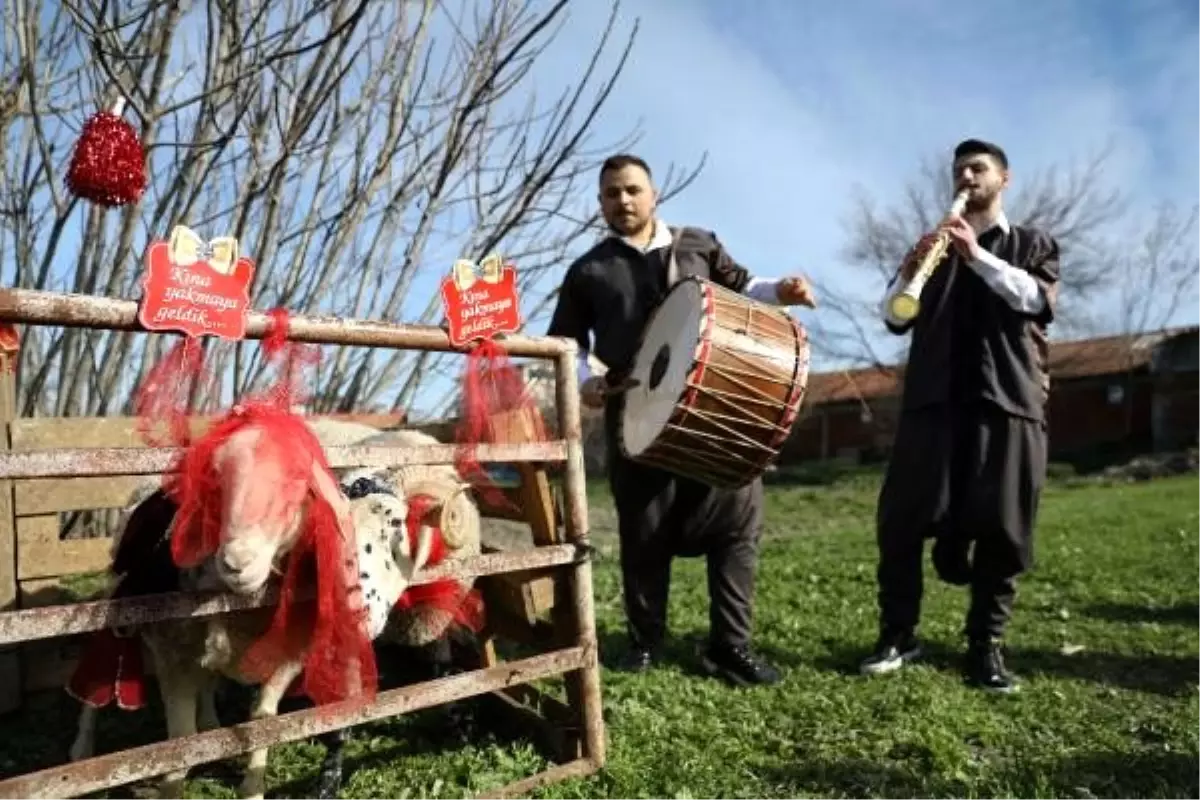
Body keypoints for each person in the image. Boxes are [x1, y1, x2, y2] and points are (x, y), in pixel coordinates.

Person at [545, 153, 817, 686]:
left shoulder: (699, 244)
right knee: (643, 532)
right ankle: (645, 643)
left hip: (715, 407)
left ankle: (729, 646)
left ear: (654, 194)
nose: (622, 201)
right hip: (636, 417)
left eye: (631, 190)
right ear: (600, 203)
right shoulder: (587, 271)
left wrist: (781, 292)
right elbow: (567, 345)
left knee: (736, 523)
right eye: (610, 194)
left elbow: (744, 286)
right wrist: (586, 382)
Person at [861, 138, 1061, 693]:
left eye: (978, 169)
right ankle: (898, 633)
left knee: (1005, 528)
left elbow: (1034, 299)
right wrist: (908, 273)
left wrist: (977, 255)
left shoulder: (1031, 242)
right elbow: (893, 317)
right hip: (933, 401)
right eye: (959, 171)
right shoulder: (933, 247)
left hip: (1007, 401)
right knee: (899, 520)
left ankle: (985, 646)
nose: (966, 178)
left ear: (1004, 179)